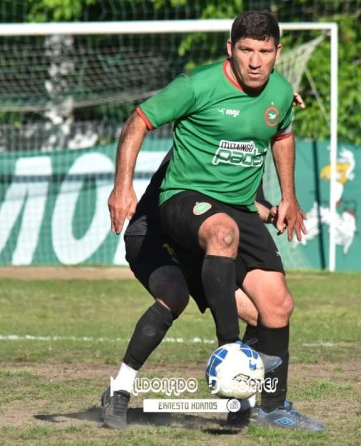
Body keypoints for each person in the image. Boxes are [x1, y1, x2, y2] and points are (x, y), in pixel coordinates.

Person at [108, 10, 324, 431]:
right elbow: (138, 121)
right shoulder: (197, 86)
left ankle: (270, 407)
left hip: (231, 218)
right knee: (175, 291)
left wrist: (288, 199)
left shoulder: (278, 94)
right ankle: (216, 362)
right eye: (247, 50)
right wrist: (123, 187)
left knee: (275, 306)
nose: (256, 61)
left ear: (278, 53)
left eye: (265, 52)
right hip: (176, 210)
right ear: (231, 49)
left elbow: (282, 135)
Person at [101, 151, 282, 430]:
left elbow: (245, 202)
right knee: (174, 294)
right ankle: (120, 390)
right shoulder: (202, 135)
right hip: (153, 231)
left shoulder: (250, 149)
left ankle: (239, 397)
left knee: (259, 314)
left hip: (197, 244)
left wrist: (273, 212)